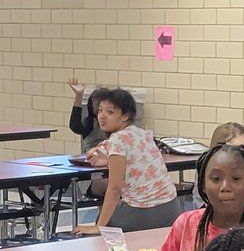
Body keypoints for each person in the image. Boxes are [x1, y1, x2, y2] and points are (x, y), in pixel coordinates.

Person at [74, 87, 182, 234]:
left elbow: (114, 188)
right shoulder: (142, 133)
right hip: (171, 209)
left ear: (125, 116)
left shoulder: (117, 139)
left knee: (104, 223)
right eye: (100, 110)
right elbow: (125, 154)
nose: (102, 116)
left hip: (145, 212)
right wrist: (107, 159)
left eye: (110, 112)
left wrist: (99, 227)